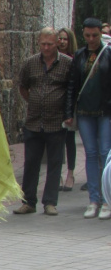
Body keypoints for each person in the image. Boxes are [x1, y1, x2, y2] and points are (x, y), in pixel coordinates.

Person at [13, 27, 72, 216]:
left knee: (54, 163)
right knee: (31, 163)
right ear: (39, 43)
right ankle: (28, 201)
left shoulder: (67, 64)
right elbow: (23, 86)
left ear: (57, 44)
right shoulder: (30, 63)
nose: (46, 48)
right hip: (34, 121)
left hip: (56, 122)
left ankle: (50, 202)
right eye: (43, 44)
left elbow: (71, 90)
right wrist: (34, 100)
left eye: (50, 44)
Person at [65, 17, 111, 219]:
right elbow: (72, 85)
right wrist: (68, 112)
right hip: (84, 112)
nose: (91, 39)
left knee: (105, 153)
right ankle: (94, 199)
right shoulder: (79, 55)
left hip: (105, 112)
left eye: (95, 35)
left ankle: (107, 200)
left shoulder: (108, 53)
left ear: (101, 34)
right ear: (82, 34)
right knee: (90, 154)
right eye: (87, 35)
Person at [57, 27, 78, 191]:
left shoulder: (75, 59)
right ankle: (57, 175)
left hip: (69, 105)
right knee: (56, 140)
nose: (62, 42)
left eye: (65, 39)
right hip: (56, 104)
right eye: (60, 38)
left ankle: (70, 173)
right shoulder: (53, 59)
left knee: (69, 140)